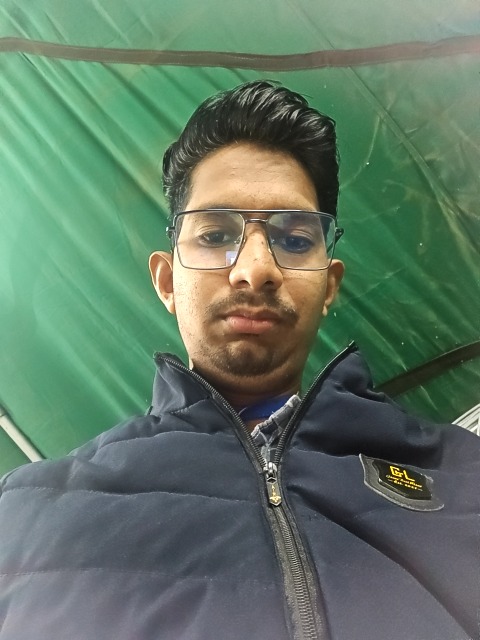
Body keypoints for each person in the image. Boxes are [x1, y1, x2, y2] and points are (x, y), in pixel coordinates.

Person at [0, 81, 478, 640]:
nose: (255, 269)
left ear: (329, 285)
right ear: (166, 281)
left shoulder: (463, 472)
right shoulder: (22, 516)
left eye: (294, 240)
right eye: (215, 234)